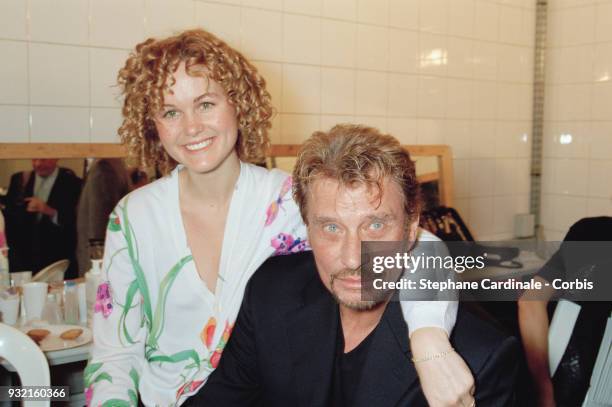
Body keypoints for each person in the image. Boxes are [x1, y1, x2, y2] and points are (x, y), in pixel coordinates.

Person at [86, 29, 473, 406]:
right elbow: (114, 354)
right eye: (171, 112)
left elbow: (418, 246)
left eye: (206, 104)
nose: (191, 127)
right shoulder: (134, 218)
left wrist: (429, 340)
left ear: (238, 103)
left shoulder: (288, 200)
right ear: (152, 125)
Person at [185, 125, 518, 407]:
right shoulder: (271, 291)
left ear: (411, 225)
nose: (351, 259)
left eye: (375, 226)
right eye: (331, 228)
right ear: (307, 227)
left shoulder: (480, 359)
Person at [518, 217, 612, 407]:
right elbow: (531, 301)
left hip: (566, 383)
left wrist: (543, 390)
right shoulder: (591, 233)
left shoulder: (589, 232)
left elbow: (530, 301)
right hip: (571, 382)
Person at [4, 159, 82, 278]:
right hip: (24, 260)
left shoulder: (71, 182)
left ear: (55, 157)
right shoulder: (19, 180)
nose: (38, 164)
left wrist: (49, 211)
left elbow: (75, 221)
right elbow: (10, 219)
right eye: (34, 159)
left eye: (44, 160)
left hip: (57, 258)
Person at [76, 158, 131, 276]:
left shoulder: (103, 169)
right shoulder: (112, 165)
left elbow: (100, 221)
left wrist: (97, 262)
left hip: (99, 261)